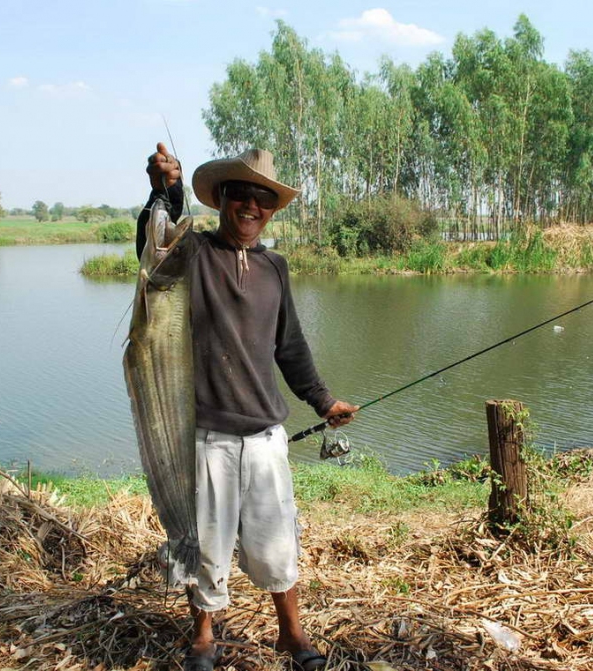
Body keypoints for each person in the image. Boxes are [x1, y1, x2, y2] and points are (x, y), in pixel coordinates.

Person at [138, 142, 358, 671]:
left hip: (264, 435)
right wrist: (162, 192)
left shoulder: (276, 269)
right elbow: (154, 248)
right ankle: (204, 638)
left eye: (263, 199)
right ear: (223, 201)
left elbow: (291, 347)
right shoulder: (195, 256)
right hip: (206, 434)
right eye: (241, 195)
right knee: (205, 542)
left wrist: (323, 401)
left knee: (277, 540)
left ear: (272, 209)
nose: (251, 207)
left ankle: (291, 633)